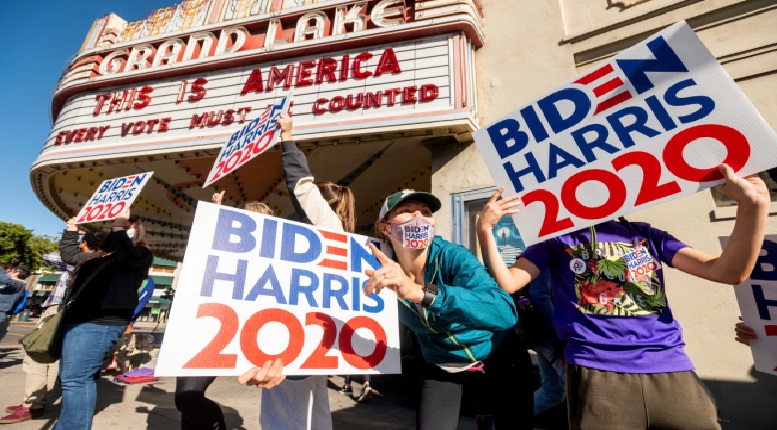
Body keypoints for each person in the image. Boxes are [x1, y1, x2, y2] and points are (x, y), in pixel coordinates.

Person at [476, 163, 769, 430]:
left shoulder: (648, 235)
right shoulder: (556, 239)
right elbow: (509, 283)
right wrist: (485, 230)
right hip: (597, 374)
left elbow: (727, 271)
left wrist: (753, 204)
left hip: (672, 367)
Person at [363, 189, 533, 429]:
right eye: (406, 211)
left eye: (426, 212)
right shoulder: (376, 267)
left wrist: (420, 293)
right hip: (439, 366)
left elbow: (504, 312)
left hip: (500, 359)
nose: (418, 217)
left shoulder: (454, 257)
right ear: (385, 228)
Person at [243, 111, 356, 430]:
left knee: (285, 410)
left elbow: (301, 185)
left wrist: (288, 138)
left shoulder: (324, 223)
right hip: (311, 332)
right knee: (311, 408)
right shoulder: (336, 234)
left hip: (296, 331)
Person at [175, 191, 275, 430]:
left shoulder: (271, 259)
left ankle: (215, 420)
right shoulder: (223, 246)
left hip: (230, 330)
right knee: (187, 398)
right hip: (201, 326)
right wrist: (215, 215)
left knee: (187, 398)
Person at [54, 209, 153, 430]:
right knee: (70, 379)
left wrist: (118, 228)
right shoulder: (100, 255)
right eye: (119, 225)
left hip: (100, 322)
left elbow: (127, 258)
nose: (121, 228)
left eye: (128, 226)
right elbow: (70, 256)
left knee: (76, 379)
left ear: (137, 231)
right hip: (78, 320)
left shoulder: (140, 254)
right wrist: (71, 231)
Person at [1, 224, 105, 424]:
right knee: (53, 359)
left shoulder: (76, 260)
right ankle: (38, 401)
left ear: (84, 243)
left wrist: (74, 236)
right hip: (77, 314)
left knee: (36, 353)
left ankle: (32, 404)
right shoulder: (102, 261)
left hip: (57, 309)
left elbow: (49, 256)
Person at [0, 263, 30, 343]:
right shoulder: (18, 285)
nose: (9, 273)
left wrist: (1, 269)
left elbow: (3, 278)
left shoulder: (18, 284)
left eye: (12, 272)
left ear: (17, 273)